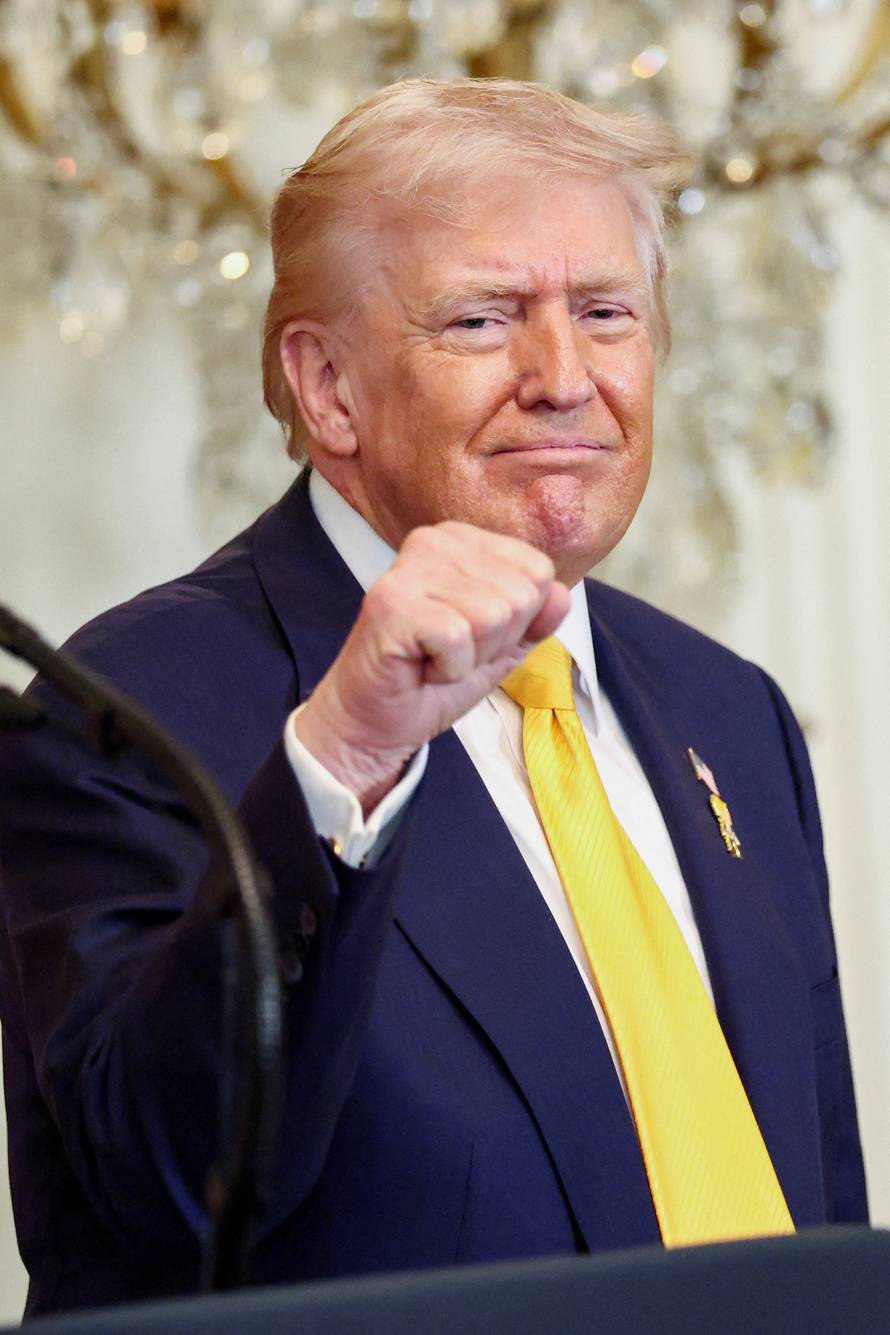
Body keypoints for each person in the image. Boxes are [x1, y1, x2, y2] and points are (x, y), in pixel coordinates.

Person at [0, 78, 867, 1317]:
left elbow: (818, 1205)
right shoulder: (125, 710)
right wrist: (348, 751)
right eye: (480, 320)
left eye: (607, 312)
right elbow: (156, 1192)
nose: (564, 376)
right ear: (329, 389)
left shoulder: (728, 712)